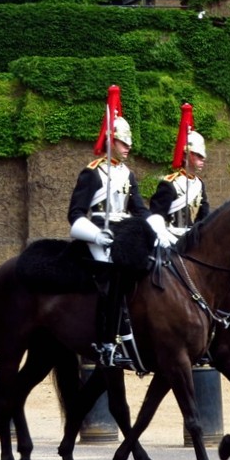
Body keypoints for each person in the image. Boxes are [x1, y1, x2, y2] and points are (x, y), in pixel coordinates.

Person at [68, 86, 176, 367]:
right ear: (110, 141)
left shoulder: (127, 174)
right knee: (111, 279)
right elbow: (75, 213)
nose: (128, 148)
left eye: (128, 143)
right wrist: (96, 234)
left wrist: (158, 227)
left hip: (122, 233)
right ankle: (106, 342)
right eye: (123, 143)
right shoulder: (92, 172)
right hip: (97, 235)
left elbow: (139, 210)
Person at [150, 105, 211, 237]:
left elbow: (204, 217)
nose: (203, 160)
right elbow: (156, 217)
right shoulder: (170, 184)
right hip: (170, 240)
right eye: (198, 155)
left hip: (191, 241)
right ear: (185, 155)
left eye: (203, 156)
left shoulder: (199, 185)